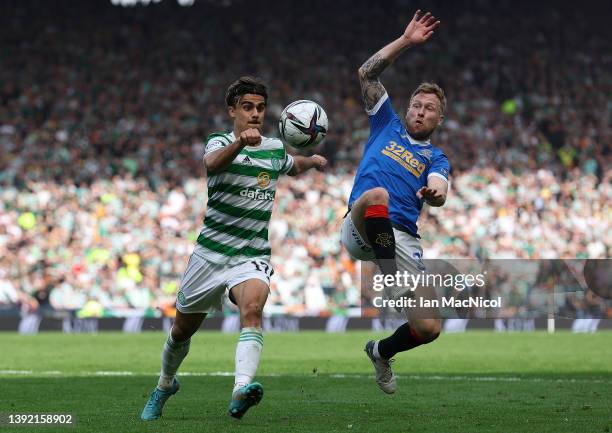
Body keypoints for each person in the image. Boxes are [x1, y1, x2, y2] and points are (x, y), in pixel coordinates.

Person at [141, 76, 327, 420]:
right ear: (232, 111)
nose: (255, 114)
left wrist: (311, 161)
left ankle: (241, 389)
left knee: (253, 309)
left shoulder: (273, 148)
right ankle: (165, 384)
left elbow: (290, 166)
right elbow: (211, 165)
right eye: (247, 107)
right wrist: (241, 143)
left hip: (251, 255)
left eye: (260, 108)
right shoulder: (219, 142)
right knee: (181, 331)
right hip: (209, 255)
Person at [340, 10, 450, 394]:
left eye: (429, 109)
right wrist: (406, 41)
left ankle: (381, 351)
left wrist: (435, 194)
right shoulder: (386, 124)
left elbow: (439, 186)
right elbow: (366, 74)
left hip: (402, 239)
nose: (420, 110)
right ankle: (388, 274)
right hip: (361, 225)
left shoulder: (436, 157)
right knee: (377, 196)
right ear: (408, 108)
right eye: (417, 104)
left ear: (438, 119)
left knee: (428, 328)